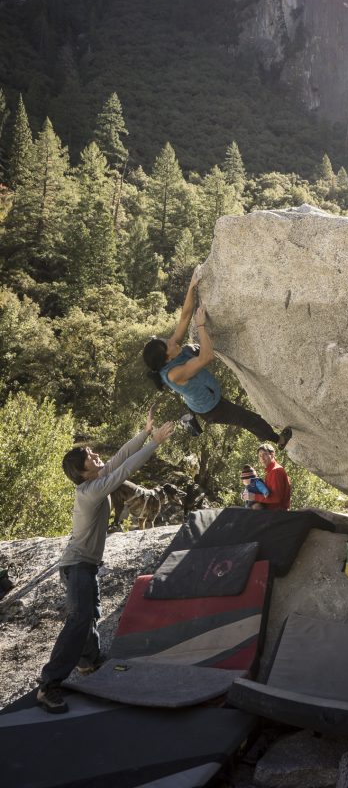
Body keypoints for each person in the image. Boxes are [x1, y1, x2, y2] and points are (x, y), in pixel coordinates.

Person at [36, 406, 174, 714]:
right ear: (83, 471)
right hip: (77, 566)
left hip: (85, 565)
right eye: (89, 455)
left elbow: (122, 456)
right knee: (78, 620)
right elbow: (126, 470)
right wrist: (155, 444)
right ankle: (49, 685)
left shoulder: (97, 480)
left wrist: (145, 431)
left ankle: (89, 662)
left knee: (89, 615)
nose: (95, 454)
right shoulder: (92, 490)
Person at [143, 270, 291, 448]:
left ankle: (196, 350)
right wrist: (200, 326)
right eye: (168, 344)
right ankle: (279, 441)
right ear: (166, 359)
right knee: (249, 419)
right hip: (212, 408)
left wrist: (192, 287)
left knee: (190, 348)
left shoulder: (172, 349)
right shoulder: (174, 374)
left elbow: (184, 316)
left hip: (200, 387)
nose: (172, 341)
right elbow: (207, 357)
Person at [242, 443, 291, 511]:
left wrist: (254, 497)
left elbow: (276, 498)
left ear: (272, 454)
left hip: (276, 515)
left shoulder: (276, 471)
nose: (262, 458)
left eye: (264, 454)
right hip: (273, 513)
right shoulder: (271, 471)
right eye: (260, 456)